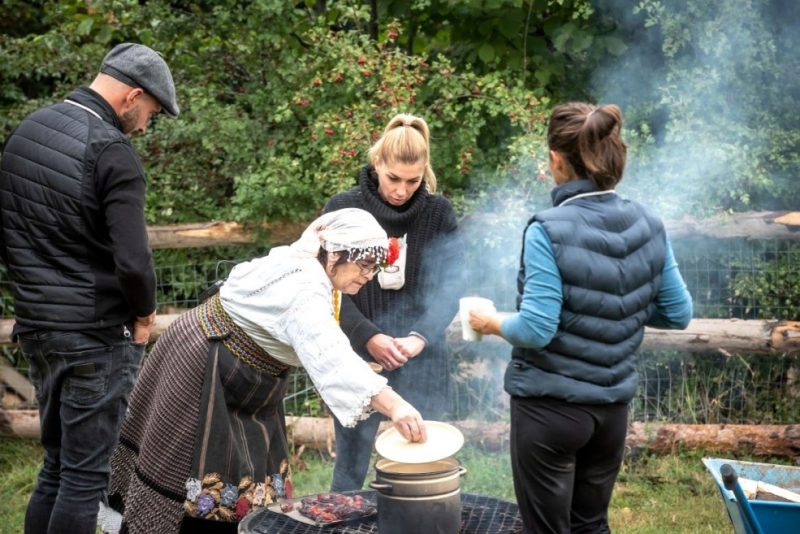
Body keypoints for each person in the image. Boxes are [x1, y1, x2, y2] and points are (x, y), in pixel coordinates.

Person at [104, 208, 428, 534]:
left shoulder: (310, 267)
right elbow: (334, 357)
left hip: (240, 370)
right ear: (334, 256)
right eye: (364, 265)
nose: (369, 275)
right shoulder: (303, 290)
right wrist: (395, 406)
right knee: (194, 465)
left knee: (246, 471)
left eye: (375, 267)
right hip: (204, 361)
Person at [469, 102, 693, 534]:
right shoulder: (650, 222)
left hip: (550, 411)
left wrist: (490, 321)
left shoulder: (546, 229)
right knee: (591, 526)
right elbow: (678, 313)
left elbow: (535, 328)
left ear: (556, 159)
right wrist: (620, 306)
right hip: (610, 412)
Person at [0, 43, 179, 534]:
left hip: (38, 334)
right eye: (150, 113)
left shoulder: (25, 134)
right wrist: (144, 316)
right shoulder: (110, 149)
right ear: (132, 96)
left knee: (56, 468)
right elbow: (133, 261)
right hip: (95, 338)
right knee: (84, 478)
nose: (145, 126)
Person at [324, 113, 467, 492]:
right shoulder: (342, 208)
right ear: (377, 164)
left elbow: (452, 284)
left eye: (413, 181)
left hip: (423, 357)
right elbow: (328, 285)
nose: (402, 190)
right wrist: (369, 336)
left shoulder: (439, 213)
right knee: (350, 472)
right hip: (358, 358)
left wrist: (420, 336)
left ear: (424, 172)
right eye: (393, 179)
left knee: (425, 471)